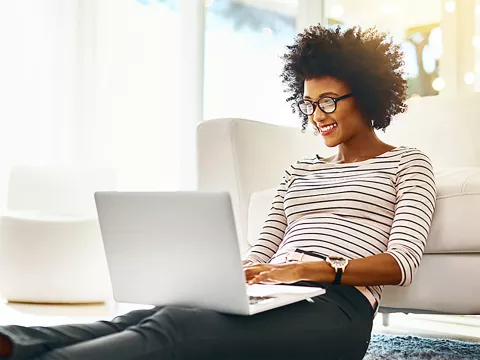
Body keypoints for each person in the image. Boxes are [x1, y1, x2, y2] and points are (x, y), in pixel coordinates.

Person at [0, 25, 436, 360]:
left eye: (329, 101)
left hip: (338, 312)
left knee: (178, 330)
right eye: (309, 103)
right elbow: (262, 250)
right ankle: (13, 342)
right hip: (276, 295)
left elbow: (401, 265)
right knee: (151, 316)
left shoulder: (407, 162)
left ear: (368, 96)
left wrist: (306, 269)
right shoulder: (299, 171)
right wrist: (225, 276)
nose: (317, 115)